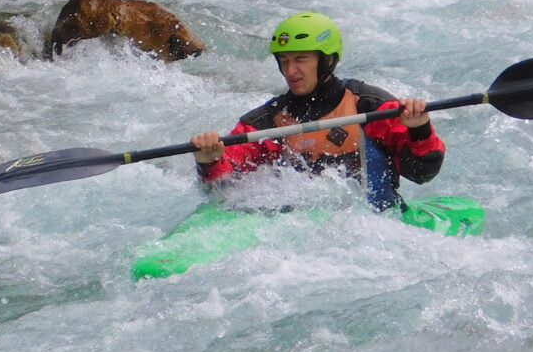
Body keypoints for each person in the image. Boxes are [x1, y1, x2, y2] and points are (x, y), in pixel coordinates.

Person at [190, 12, 445, 211]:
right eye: (284, 61)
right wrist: (209, 161)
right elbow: (224, 191)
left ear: (328, 60)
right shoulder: (266, 122)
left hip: (379, 220)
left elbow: (422, 174)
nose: (290, 71)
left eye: (301, 59)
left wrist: (420, 130)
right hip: (303, 231)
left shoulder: (371, 106)